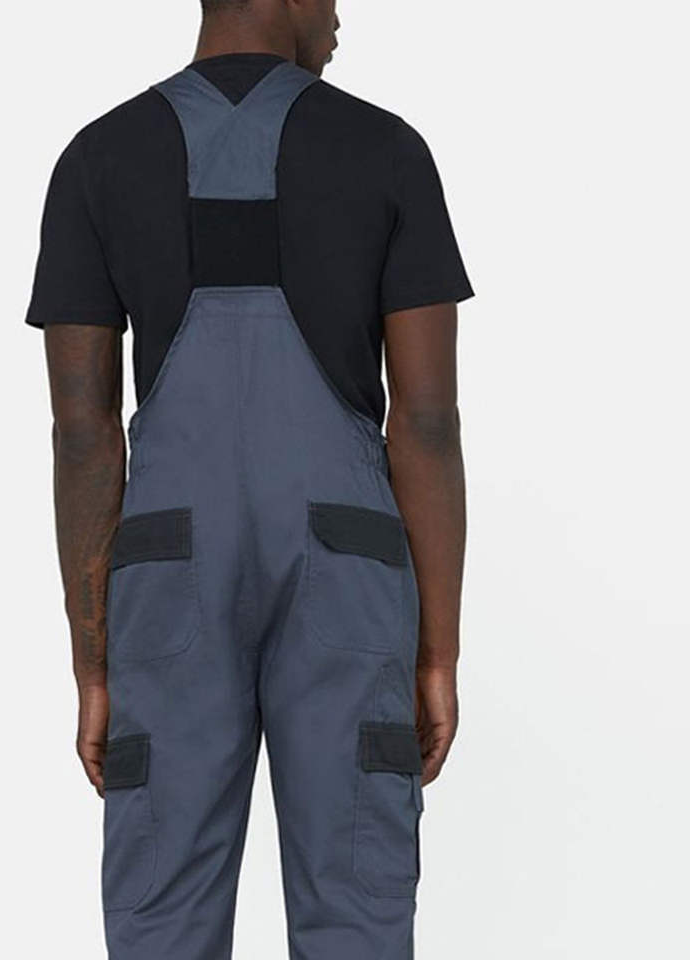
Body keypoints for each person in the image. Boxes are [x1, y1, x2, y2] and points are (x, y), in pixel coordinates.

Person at [25, 1, 472, 956]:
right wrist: (435, 654)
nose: (341, 14)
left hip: (169, 573)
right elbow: (426, 423)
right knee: (357, 915)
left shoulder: (98, 158)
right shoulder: (388, 152)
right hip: (345, 567)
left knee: (163, 914)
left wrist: (93, 666)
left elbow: (84, 436)